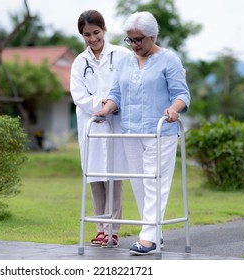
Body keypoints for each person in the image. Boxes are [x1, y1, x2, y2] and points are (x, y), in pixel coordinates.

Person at [95, 11, 191, 255]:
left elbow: (182, 94)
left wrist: (173, 109)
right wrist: (106, 109)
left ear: (153, 36)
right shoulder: (126, 61)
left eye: (138, 39)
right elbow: (116, 93)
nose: (134, 45)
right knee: (139, 184)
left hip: (160, 131)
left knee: (154, 182)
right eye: (130, 39)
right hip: (130, 130)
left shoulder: (169, 59)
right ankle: (155, 234)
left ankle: (147, 238)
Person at [70, 10, 131, 248]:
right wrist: (101, 104)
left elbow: (128, 85)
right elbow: (79, 96)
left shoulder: (122, 55)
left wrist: (112, 105)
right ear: (82, 35)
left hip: (115, 122)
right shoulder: (79, 62)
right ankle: (99, 228)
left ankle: (113, 230)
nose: (93, 38)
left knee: (114, 178)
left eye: (96, 32)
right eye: (87, 35)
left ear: (104, 30)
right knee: (95, 178)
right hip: (92, 125)